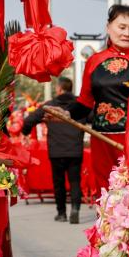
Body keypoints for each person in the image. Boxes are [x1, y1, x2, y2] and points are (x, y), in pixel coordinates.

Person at [63, 5, 129, 194]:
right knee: (105, 189)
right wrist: (67, 112)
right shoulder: (94, 61)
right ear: (108, 27)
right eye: (122, 27)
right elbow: (85, 102)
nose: (127, 33)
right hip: (101, 139)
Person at [23, 77, 85, 223]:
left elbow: (29, 120)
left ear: (59, 89)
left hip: (56, 150)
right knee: (75, 181)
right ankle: (75, 210)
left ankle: (61, 213)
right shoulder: (80, 106)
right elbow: (94, 118)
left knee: (59, 183)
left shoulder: (49, 106)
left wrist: (25, 132)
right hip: (75, 149)